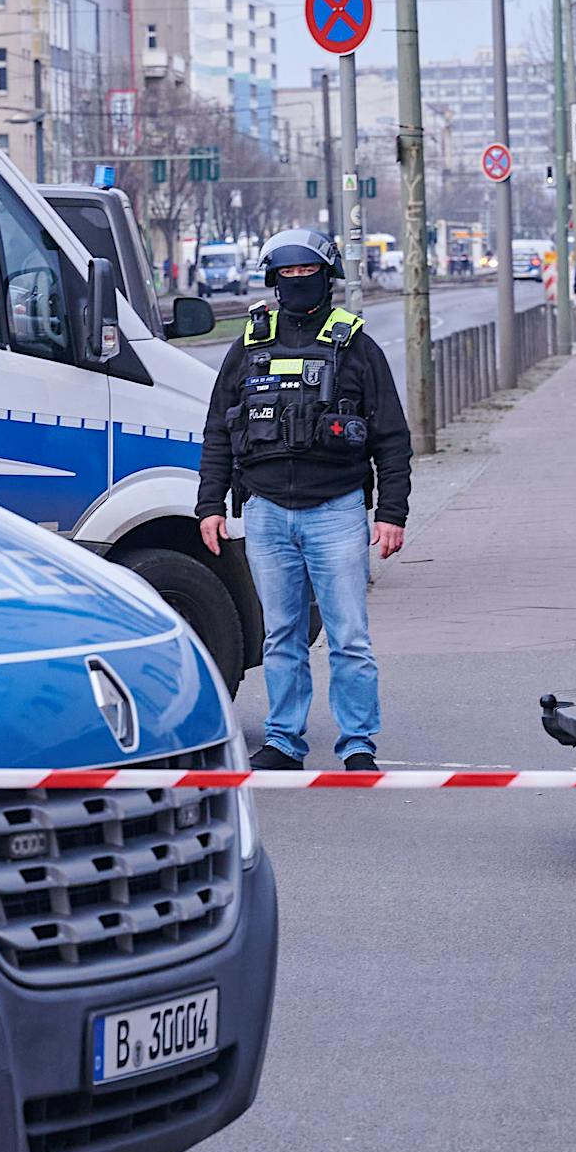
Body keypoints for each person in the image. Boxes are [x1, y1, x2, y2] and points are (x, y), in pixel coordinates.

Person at [196, 227, 412, 771]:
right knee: (281, 635)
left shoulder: (355, 344)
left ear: (327, 277)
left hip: (337, 510)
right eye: (286, 275)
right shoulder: (248, 346)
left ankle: (358, 743)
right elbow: (219, 431)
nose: (296, 283)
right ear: (273, 280)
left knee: (349, 637)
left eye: (306, 273)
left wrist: (391, 513)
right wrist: (209, 505)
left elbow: (391, 436)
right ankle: (284, 741)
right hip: (266, 512)